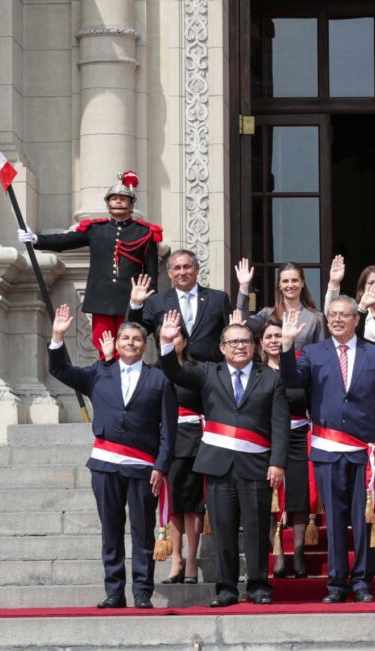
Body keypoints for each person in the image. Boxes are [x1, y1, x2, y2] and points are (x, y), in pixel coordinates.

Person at [46, 305, 177, 609]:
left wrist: (161, 465)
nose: (131, 343)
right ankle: (114, 592)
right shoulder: (98, 373)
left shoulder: (159, 379)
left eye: (136, 339)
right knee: (111, 531)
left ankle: (142, 592)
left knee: (142, 533)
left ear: (144, 345)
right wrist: (57, 337)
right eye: (125, 338)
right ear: (116, 344)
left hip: (143, 467)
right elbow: (60, 370)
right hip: (105, 465)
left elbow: (169, 431)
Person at [159, 315, 289, 607]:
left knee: (256, 530)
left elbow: (280, 424)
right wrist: (166, 343)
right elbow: (175, 373)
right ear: (222, 348)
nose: (240, 346)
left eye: (245, 341)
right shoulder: (208, 372)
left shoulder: (270, 378)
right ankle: (227, 589)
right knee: (223, 530)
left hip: (257, 465)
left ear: (254, 346)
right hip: (218, 464)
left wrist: (278, 462)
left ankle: (258, 586)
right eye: (234, 342)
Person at [279, 295, 375, 603]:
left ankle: (362, 582)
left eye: (343, 315)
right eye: (332, 315)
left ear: (357, 319)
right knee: (334, 518)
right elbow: (291, 381)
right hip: (328, 449)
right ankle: (336, 583)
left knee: (363, 518)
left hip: (363, 451)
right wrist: (287, 346)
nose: (337, 320)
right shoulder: (314, 352)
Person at [127, 250, 234, 584]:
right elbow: (135, 332)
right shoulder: (157, 302)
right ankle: (176, 560)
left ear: (197, 269)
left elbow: (229, 335)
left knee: (194, 498)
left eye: (188, 266)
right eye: (176, 268)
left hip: (203, 399)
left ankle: (191, 564)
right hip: (170, 416)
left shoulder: (217, 299)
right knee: (174, 498)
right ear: (169, 272)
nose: (182, 272)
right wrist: (135, 305)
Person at [20, 171, 162, 358]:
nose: (118, 202)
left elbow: (151, 272)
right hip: (101, 299)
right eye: (114, 199)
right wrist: (36, 239)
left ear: (131, 205)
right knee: (104, 348)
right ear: (108, 205)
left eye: (123, 199)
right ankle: (107, 375)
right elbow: (66, 241)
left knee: (130, 345)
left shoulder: (145, 233)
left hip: (130, 300)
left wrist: (149, 303)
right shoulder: (96, 229)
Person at [259, 318, 312, 579]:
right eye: (269, 336)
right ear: (261, 343)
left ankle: (299, 553)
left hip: (299, 437)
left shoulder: (300, 366)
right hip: (268, 439)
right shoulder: (256, 372)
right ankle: (278, 554)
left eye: (278, 336)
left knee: (299, 495)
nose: (274, 341)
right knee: (271, 497)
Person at [240, 262, 326, 350]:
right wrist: (244, 286)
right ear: (279, 285)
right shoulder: (267, 314)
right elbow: (244, 323)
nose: (290, 285)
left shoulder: (315, 318)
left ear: (302, 283)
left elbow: (321, 352)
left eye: (295, 280)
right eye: (285, 281)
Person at [325, 255, 375, 342]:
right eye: (371, 283)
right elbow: (331, 311)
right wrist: (334, 282)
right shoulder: (354, 311)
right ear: (363, 287)